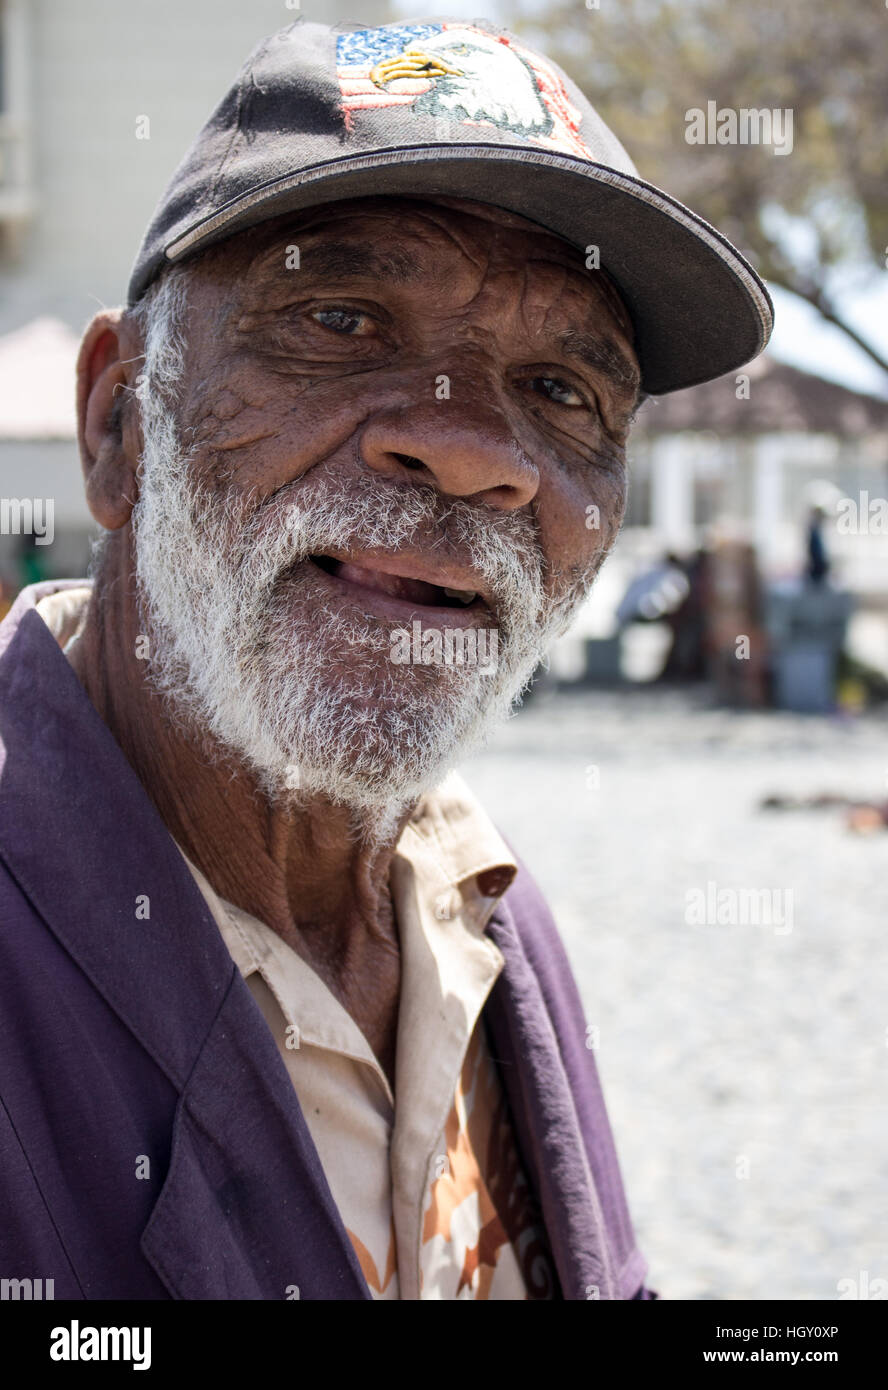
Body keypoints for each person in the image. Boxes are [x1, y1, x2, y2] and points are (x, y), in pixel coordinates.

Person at [0, 18, 772, 1300]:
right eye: (343, 318)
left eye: (566, 391)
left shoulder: (491, 912)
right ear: (118, 425)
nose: (477, 452)